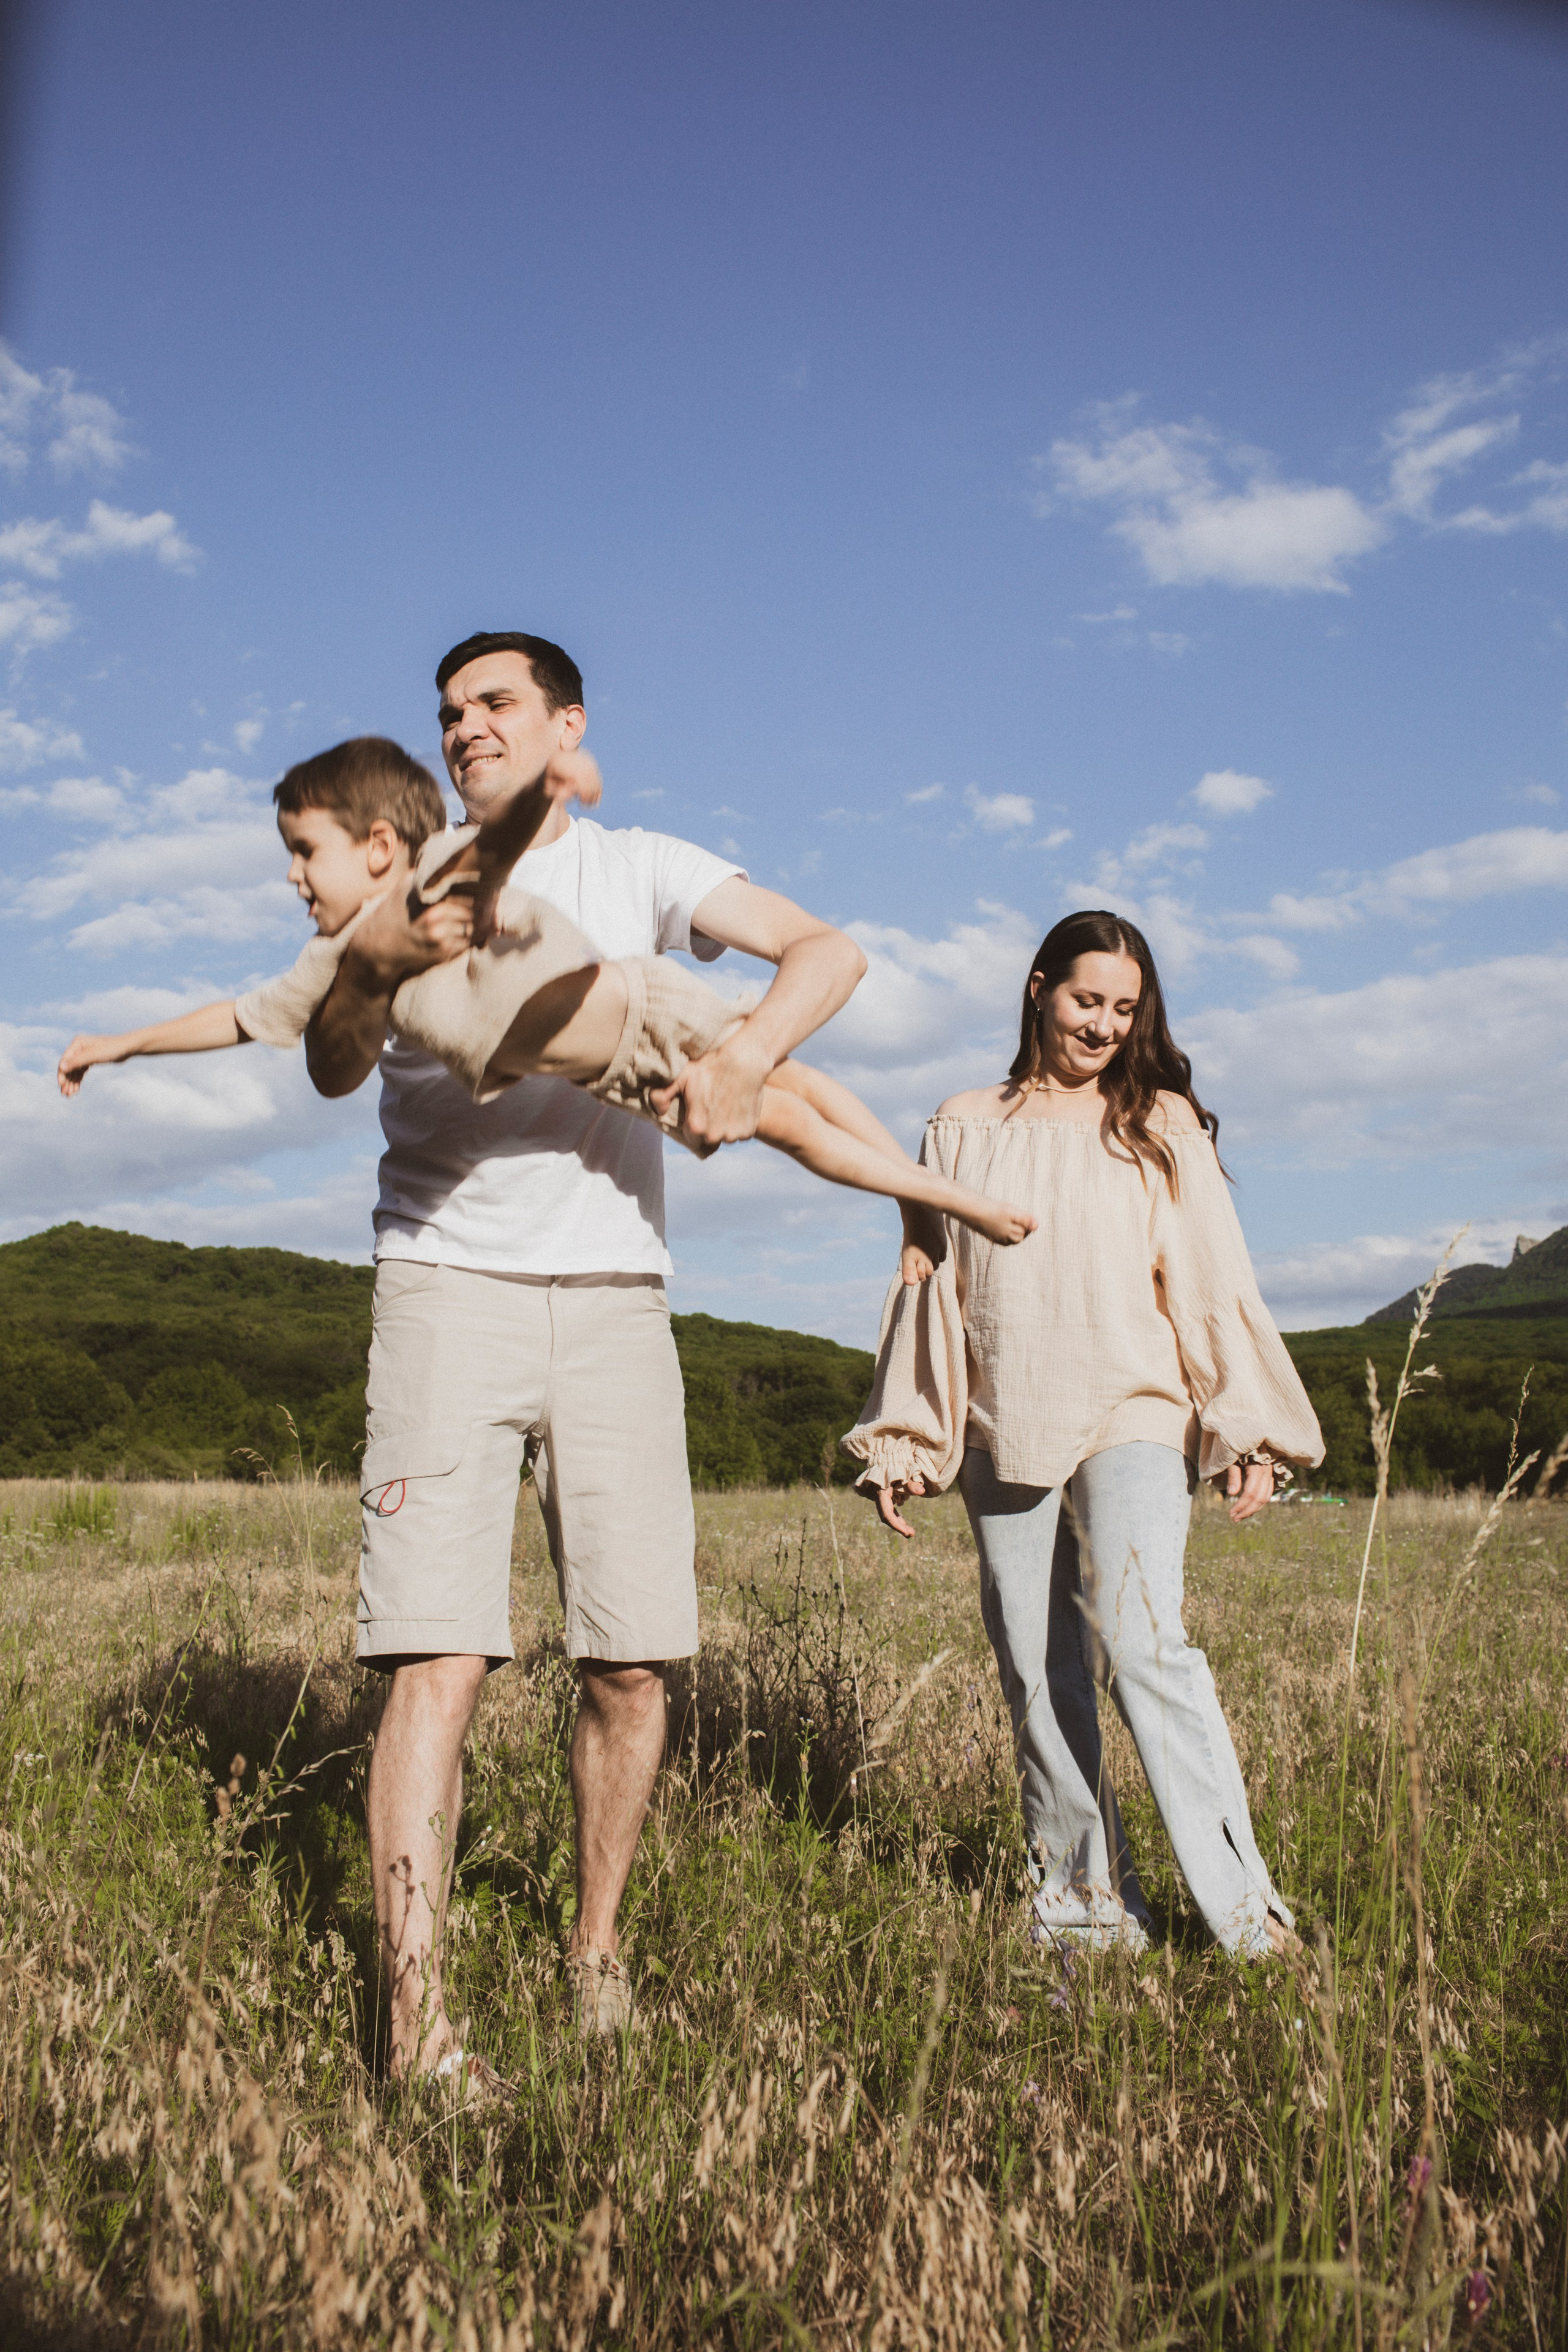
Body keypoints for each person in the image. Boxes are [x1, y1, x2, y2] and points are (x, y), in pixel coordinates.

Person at [288, 627, 937, 2087]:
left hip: (617, 1297)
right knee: (434, 1661)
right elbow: (329, 1066)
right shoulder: (405, 878)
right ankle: (414, 2023)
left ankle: (592, 1952)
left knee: (631, 1664)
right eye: (448, 712)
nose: (465, 726)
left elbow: (827, 952)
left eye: (494, 702)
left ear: (566, 724)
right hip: (444, 1286)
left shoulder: (644, 866)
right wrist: (362, 973)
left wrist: (743, 1059)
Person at [842, 908, 1324, 1961]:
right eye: (1086, 1000)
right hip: (1003, 1412)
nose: (1104, 1024)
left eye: (1124, 1007)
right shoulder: (960, 1125)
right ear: (1039, 990)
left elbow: (1212, 1280)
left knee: (1143, 1644)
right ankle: (1086, 1909)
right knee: (1036, 1666)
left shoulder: (1161, 1122)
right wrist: (909, 1436)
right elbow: (931, 1281)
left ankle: (1247, 1916)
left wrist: (1245, 1427)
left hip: (1136, 1403)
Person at [56, 738, 1036, 1251]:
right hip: (614, 1072)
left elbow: (499, 845)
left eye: (305, 852)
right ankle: (935, 1202)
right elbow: (237, 1019)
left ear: (381, 847)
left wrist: (549, 786)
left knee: (799, 1089)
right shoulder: (334, 961)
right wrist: (118, 1043)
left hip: (643, 1003)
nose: (291, 875)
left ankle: (935, 1203)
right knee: (789, 1125)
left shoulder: (438, 872)